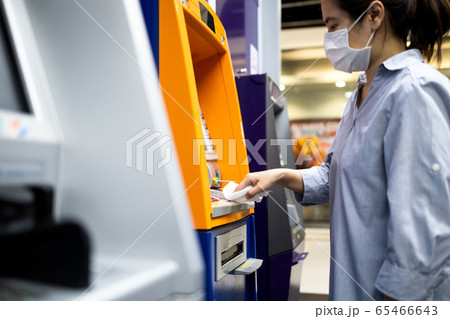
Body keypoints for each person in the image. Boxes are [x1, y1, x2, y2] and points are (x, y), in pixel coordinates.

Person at [235, 0, 450, 301]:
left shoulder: (414, 90)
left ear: (374, 15)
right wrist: (280, 175)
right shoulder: (360, 96)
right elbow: (335, 176)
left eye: (332, 25)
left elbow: (424, 235)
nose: (329, 38)